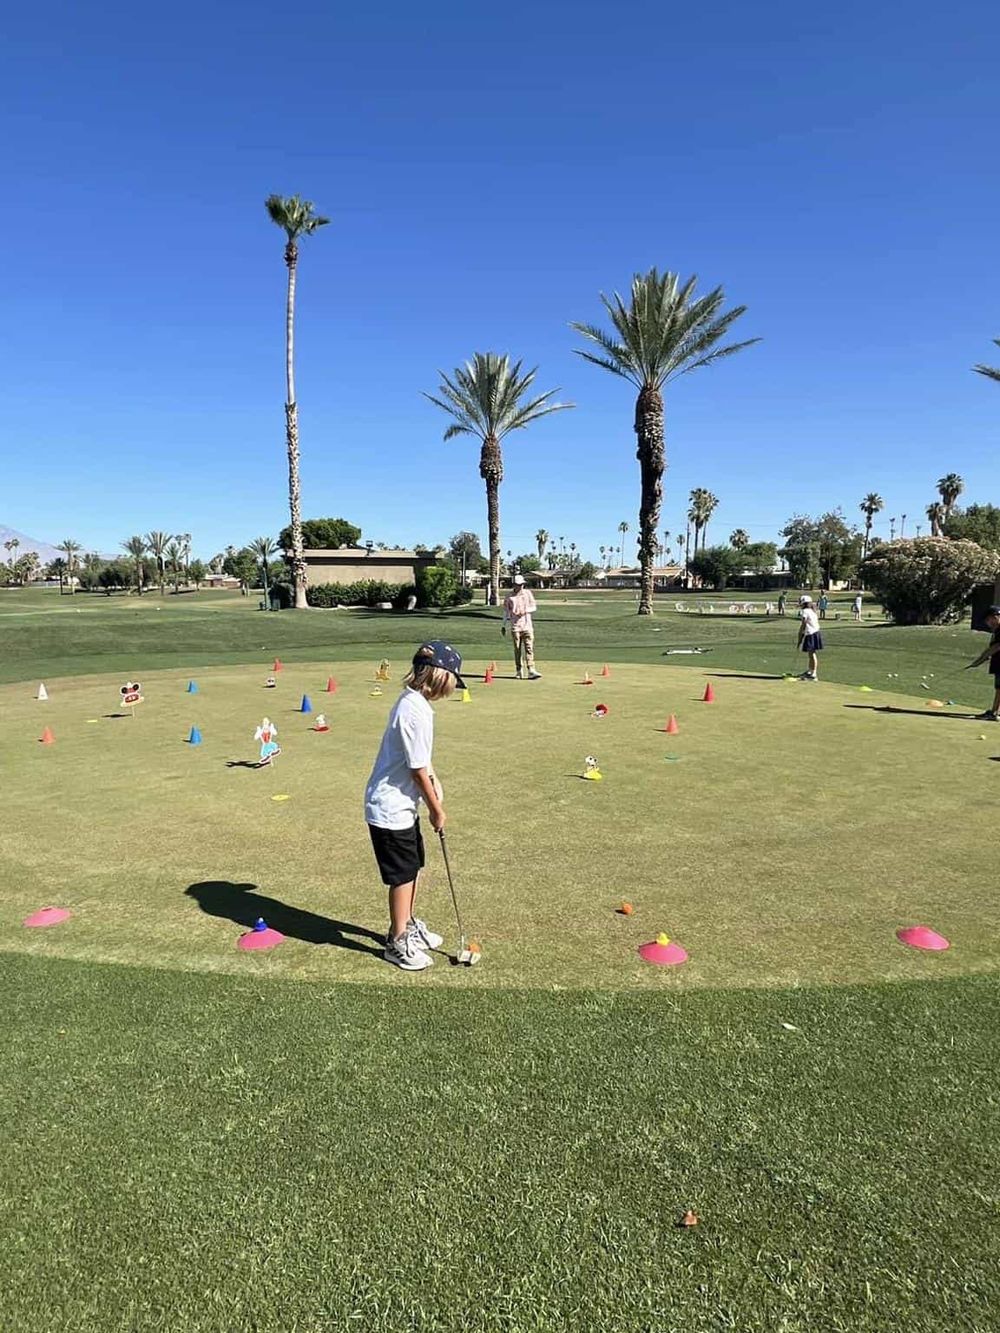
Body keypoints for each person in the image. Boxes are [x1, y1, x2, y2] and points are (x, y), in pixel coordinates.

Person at [364, 640, 464, 970]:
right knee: (403, 875)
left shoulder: (416, 704)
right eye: (452, 680)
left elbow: (423, 762)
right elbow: (416, 770)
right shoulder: (413, 710)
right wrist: (436, 808)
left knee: (414, 865)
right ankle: (396, 941)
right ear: (440, 676)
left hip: (402, 805)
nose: (452, 689)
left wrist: (435, 784)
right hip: (389, 806)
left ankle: (406, 924)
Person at [503, 574, 541, 680]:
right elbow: (506, 611)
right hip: (515, 626)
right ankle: (519, 670)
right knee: (517, 649)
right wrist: (503, 625)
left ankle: (531, 670)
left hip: (527, 626)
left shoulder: (528, 593)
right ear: (514, 585)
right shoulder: (509, 596)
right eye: (518, 585)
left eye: (521, 584)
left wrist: (525, 611)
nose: (520, 587)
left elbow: (534, 607)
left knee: (529, 648)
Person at [967, 605, 1000, 722]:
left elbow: (996, 647)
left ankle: (994, 713)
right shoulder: (996, 631)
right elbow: (992, 648)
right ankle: (994, 712)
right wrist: (983, 657)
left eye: (988, 620)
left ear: (996, 617)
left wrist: (980, 660)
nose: (987, 623)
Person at [796, 594, 823, 680]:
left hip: (811, 633)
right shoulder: (812, 611)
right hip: (814, 632)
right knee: (811, 654)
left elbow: (803, 624)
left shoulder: (805, 611)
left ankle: (813, 674)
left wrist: (800, 636)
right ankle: (810, 671)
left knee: (812, 654)